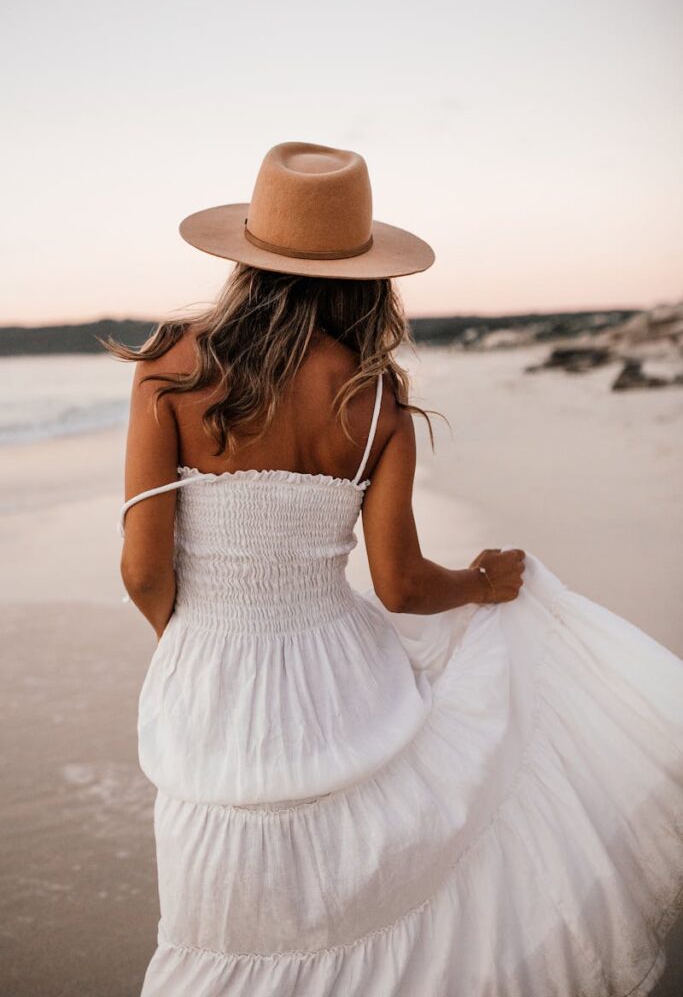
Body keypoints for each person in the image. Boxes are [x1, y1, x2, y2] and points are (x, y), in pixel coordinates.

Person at [108, 141, 683, 996]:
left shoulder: (173, 366)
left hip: (212, 671)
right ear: (365, 276)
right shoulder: (375, 399)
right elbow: (402, 586)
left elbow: (142, 569)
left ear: (245, 257)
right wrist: (481, 586)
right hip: (340, 673)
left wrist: (197, 643)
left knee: (216, 912)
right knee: (355, 898)